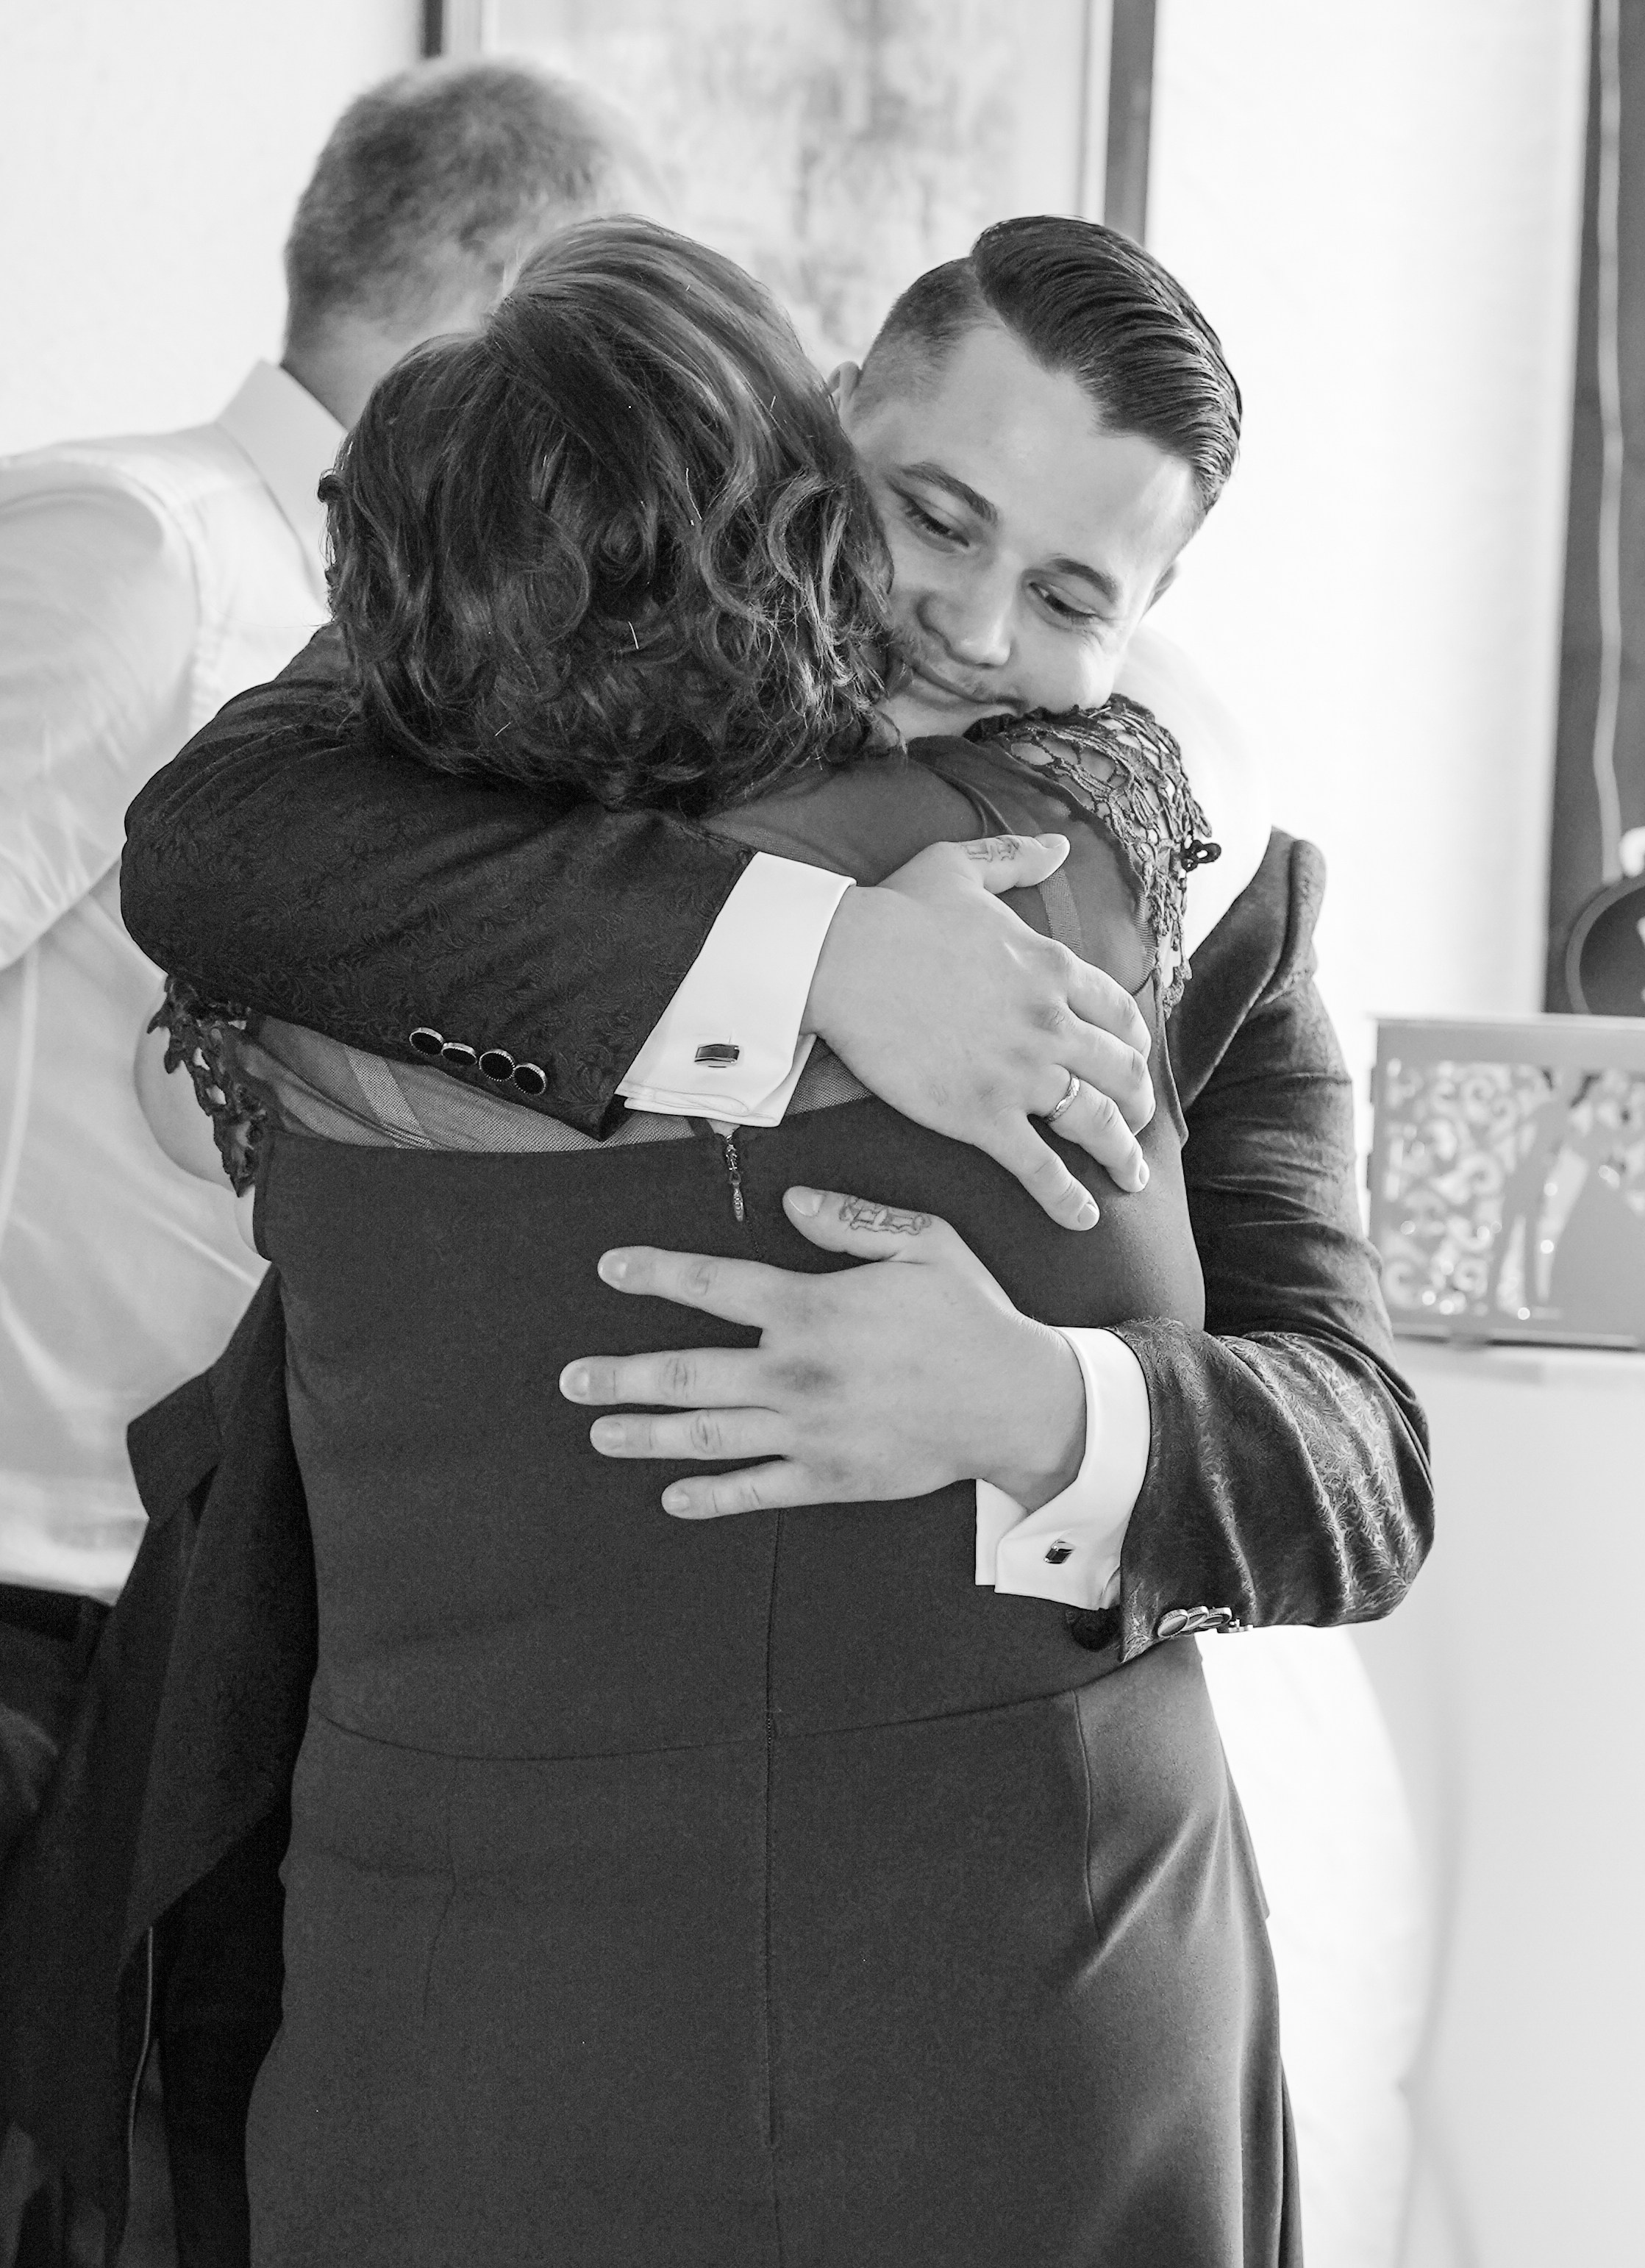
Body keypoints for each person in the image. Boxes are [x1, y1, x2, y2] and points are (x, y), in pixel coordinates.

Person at [115, 214, 1433, 2255]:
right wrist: (810, 953)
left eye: (1073, 590)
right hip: (495, 1981)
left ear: (1152, 614)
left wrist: (1050, 1408)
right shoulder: (476, 699)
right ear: (827, 430)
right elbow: (210, 847)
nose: (975, 625)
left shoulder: (1217, 892)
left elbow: (1358, 1464)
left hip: (1054, 1976)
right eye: (934, 514)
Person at [0, 54, 658, 2267]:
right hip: (23, 1587)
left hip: (203, 1618)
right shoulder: (138, 544)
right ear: (498, 293)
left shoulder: (434, 638)